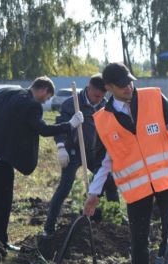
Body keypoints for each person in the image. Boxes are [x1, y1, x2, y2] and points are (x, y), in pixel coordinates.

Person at [83, 62, 168, 264]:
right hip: (136, 188)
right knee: (139, 238)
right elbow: (104, 161)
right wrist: (94, 193)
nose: (129, 88)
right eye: (122, 86)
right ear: (109, 87)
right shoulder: (102, 119)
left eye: (130, 81)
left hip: (167, 180)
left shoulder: (153, 96)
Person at [0, 76, 83, 262]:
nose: (46, 101)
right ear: (44, 89)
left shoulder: (8, 92)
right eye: (47, 97)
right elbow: (43, 129)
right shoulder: (32, 105)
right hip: (0, 158)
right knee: (3, 201)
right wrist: (70, 125)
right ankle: (0, 241)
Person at [44, 74, 119, 235]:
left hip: (94, 153)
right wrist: (61, 147)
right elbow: (60, 127)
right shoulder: (72, 104)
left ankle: (115, 220)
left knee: (109, 182)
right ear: (89, 88)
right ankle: (49, 227)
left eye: (102, 96)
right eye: (96, 95)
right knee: (66, 186)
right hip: (73, 151)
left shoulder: (104, 106)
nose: (99, 99)